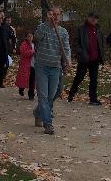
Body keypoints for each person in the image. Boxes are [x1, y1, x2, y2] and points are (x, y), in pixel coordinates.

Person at [33, 7, 71, 135]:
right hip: (42, 66)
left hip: (55, 67)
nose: (55, 17)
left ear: (60, 16)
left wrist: (68, 62)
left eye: (57, 15)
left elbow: (66, 49)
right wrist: (46, 23)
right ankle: (48, 124)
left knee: (52, 94)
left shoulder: (63, 32)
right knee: (43, 96)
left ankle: (38, 112)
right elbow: (36, 37)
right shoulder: (43, 28)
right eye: (53, 14)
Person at [67, 12, 105, 105]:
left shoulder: (99, 30)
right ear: (88, 18)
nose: (93, 19)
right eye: (92, 17)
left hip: (95, 58)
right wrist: (81, 52)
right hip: (84, 58)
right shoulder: (81, 29)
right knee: (79, 77)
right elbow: (75, 43)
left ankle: (93, 98)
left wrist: (101, 54)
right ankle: (71, 93)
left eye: (95, 18)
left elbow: (101, 43)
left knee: (94, 79)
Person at [15, 31, 35, 100]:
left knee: (32, 81)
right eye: (29, 36)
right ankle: (21, 88)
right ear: (26, 37)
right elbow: (23, 53)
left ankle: (31, 95)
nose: (30, 38)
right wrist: (32, 51)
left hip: (34, 65)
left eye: (31, 36)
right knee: (24, 79)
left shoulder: (34, 44)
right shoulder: (24, 44)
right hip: (26, 65)